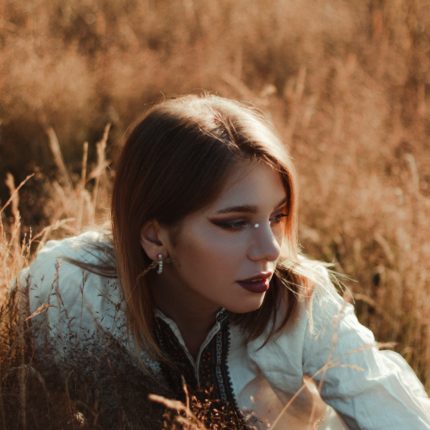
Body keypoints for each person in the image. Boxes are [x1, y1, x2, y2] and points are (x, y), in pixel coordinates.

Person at [17, 94, 430, 429]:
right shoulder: (66, 288)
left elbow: (398, 415)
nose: (270, 249)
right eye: (234, 223)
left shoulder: (302, 299)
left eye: (277, 216)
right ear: (155, 237)